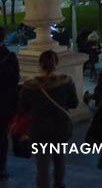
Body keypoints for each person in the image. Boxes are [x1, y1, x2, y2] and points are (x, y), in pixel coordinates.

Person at [19, 50, 78, 188]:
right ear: (56, 63)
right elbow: (73, 104)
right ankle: (59, 184)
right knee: (59, 160)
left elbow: (22, 108)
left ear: (40, 64)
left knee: (42, 167)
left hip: (39, 129)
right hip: (60, 129)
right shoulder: (66, 82)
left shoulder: (29, 86)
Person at [0, 27, 19, 181]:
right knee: (1, 137)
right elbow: (15, 81)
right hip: (4, 104)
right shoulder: (10, 56)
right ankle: (2, 167)